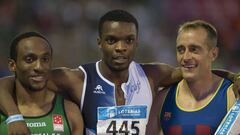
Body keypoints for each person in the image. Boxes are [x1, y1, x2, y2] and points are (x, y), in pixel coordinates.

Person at [0, 10, 236, 135]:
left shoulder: (152, 75)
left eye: (128, 40)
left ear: (136, 43)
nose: (121, 47)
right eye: (112, 40)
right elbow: (9, 82)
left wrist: (234, 78)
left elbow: (194, 69)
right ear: (99, 42)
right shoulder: (79, 79)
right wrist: (14, 116)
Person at [146, 20, 237, 135]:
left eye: (194, 49)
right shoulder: (163, 99)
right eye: (181, 50)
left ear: (213, 54)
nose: (185, 57)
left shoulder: (232, 95)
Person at [0, 32, 84, 135]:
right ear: (12, 65)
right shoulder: (4, 109)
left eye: (45, 59)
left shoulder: (70, 112)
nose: (39, 67)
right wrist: (14, 117)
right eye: (29, 60)